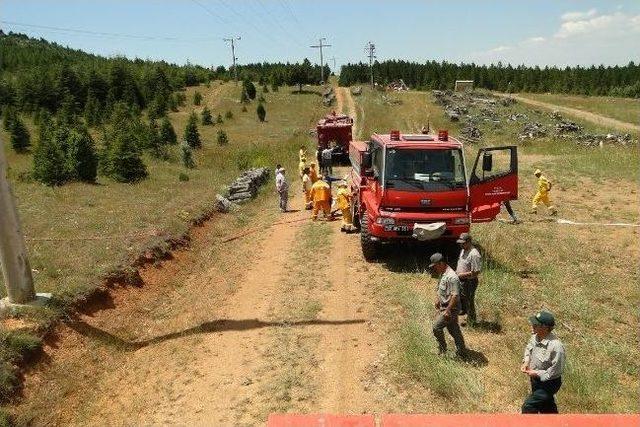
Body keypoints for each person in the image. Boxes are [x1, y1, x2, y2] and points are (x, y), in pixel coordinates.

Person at [521, 310, 566, 414]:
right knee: (546, 407)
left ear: (545, 328)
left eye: (535, 324)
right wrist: (526, 361)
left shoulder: (556, 347)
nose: (532, 325)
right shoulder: (535, 337)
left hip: (549, 383)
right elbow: (529, 348)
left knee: (529, 406)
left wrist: (536, 373)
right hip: (536, 381)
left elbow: (556, 371)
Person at [429, 253, 467, 357]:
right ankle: (462, 352)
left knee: (436, 327)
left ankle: (442, 349)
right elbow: (440, 288)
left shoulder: (452, 277)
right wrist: (438, 299)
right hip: (446, 306)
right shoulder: (444, 273)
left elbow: (455, 295)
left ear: (441, 263)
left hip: (451, 308)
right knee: (453, 329)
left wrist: (448, 310)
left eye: (435, 266)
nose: (434, 268)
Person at [455, 232, 481, 326]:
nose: (461, 245)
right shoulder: (463, 250)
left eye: (463, 243)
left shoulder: (474, 254)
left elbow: (476, 272)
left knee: (469, 301)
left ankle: (472, 322)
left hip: (470, 281)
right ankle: (465, 314)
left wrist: (461, 275)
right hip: (461, 280)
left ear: (469, 242)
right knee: (462, 298)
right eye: (460, 243)